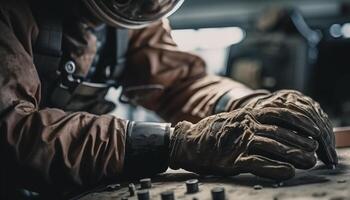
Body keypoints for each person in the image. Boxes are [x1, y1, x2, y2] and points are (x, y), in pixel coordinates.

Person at [0, 0, 337, 198]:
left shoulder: (131, 14)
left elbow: (180, 81)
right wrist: (177, 143)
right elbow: (12, 133)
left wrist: (249, 103)